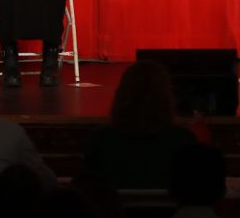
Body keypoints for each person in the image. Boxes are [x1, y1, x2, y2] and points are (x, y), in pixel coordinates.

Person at [83, 60, 197, 190]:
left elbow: (87, 188)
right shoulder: (182, 139)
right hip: (168, 210)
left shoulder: (101, 140)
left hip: (114, 209)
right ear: (166, 97)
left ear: (121, 94)